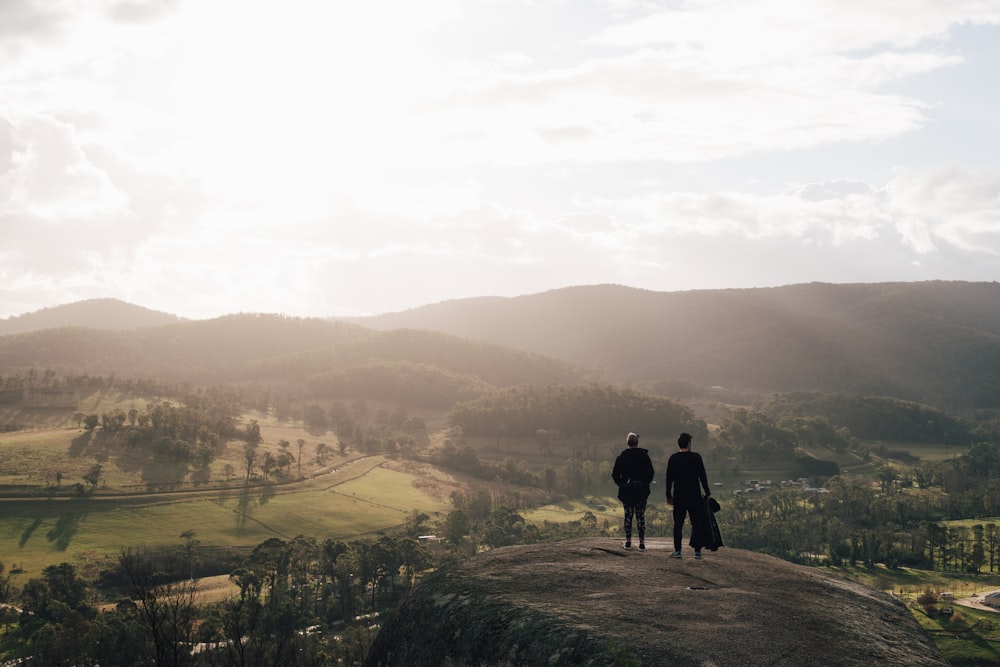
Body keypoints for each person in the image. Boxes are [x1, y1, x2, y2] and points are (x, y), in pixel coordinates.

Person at [665, 432, 711, 558]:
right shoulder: (696, 457)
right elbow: (703, 476)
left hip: (679, 496)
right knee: (697, 523)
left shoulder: (673, 458)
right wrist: (707, 491)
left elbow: (669, 479)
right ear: (689, 444)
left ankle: (678, 551)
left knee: (678, 524)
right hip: (694, 495)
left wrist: (668, 495)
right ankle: (697, 552)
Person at [611, 432, 655, 550]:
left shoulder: (622, 457)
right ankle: (641, 543)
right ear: (637, 443)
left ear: (627, 443)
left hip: (627, 492)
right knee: (641, 517)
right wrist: (644, 484)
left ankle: (628, 542)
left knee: (628, 517)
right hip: (641, 492)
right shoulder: (644, 456)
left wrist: (622, 484)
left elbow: (615, 474)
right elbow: (650, 473)